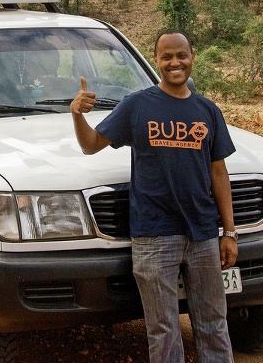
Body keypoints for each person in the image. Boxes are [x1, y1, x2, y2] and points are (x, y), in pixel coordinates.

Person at [71, 30, 237, 363]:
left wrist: (229, 232)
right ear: (156, 60)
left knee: (215, 325)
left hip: (203, 233)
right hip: (154, 235)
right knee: (163, 330)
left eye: (181, 55)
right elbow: (91, 146)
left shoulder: (208, 110)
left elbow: (219, 173)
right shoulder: (137, 105)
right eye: (167, 56)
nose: (175, 62)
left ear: (192, 57)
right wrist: (77, 114)